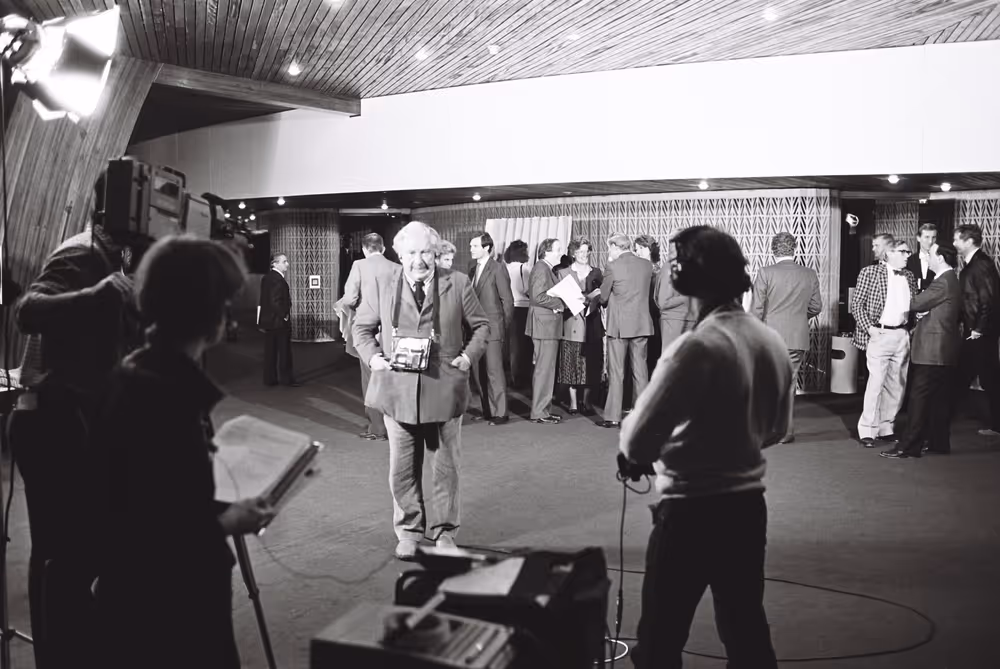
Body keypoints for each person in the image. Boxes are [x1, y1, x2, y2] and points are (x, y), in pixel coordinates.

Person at [95, 236, 275, 669]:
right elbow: (158, 531)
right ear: (211, 313)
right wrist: (234, 519)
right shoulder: (165, 393)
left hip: (132, 600)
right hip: (172, 607)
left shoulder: (135, 370)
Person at [619, 225, 789, 669]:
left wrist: (645, 453)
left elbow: (639, 440)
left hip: (691, 511)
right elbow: (775, 428)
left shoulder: (693, 348)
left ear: (686, 278)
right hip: (749, 508)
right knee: (747, 629)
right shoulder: (771, 341)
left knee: (660, 634)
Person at [10, 169, 147, 669]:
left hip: (85, 418)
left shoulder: (118, 253)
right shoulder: (83, 250)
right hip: (53, 423)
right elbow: (29, 308)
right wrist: (93, 297)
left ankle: (78, 644)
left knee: (88, 547)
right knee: (59, 556)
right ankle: (57, 654)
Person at [352, 221, 489, 560]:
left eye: (425, 252)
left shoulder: (457, 283)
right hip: (397, 390)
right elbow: (362, 328)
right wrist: (373, 359)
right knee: (402, 468)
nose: (418, 260)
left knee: (445, 468)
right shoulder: (384, 284)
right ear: (400, 254)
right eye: (411, 252)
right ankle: (409, 531)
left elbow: (482, 326)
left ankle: (444, 532)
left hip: (444, 387)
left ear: (435, 252)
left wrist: (468, 358)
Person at [881, 244, 961, 458]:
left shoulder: (942, 281)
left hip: (933, 351)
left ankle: (909, 446)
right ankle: (938, 443)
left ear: (941, 258)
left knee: (919, 399)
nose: (926, 257)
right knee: (939, 400)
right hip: (944, 350)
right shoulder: (951, 279)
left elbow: (916, 302)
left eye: (930, 254)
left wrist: (901, 286)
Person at [750, 232, 823, 442]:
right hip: (796, 337)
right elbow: (816, 307)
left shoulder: (765, 272)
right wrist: (799, 317)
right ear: (794, 249)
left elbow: (756, 308)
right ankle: (785, 431)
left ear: (773, 250)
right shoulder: (809, 274)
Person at [851, 239, 918, 445]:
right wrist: (870, 329)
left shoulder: (909, 276)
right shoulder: (869, 273)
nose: (908, 255)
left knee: (897, 384)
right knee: (876, 383)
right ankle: (868, 429)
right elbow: (857, 304)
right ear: (889, 253)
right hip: (879, 334)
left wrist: (912, 329)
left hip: (902, 335)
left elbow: (914, 304)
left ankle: (886, 426)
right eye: (903, 251)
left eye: (908, 252)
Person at [335, 233, 398, 441]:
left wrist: (340, 306)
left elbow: (351, 297)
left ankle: (377, 428)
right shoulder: (396, 268)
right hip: (391, 329)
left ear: (364, 249)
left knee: (370, 378)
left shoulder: (359, 265)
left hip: (367, 329)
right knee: (392, 376)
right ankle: (394, 426)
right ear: (383, 247)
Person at [599, 234, 653, 429]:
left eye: (609, 248)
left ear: (615, 247)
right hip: (641, 324)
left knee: (617, 372)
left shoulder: (612, 266)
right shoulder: (647, 266)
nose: (608, 252)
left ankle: (613, 416)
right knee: (640, 371)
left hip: (619, 327)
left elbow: (603, 297)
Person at [952, 223, 1000, 437]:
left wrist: (978, 329)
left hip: (979, 333)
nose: (954, 243)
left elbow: (988, 299)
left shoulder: (980, 265)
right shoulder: (975, 264)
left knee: (986, 377)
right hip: (976, 331)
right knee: (974, 376)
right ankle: (945, 416)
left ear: (969, 241)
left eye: (957, 239)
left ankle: (943, 418)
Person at [468, 232, 514, 425]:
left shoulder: (497, 269)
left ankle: (501, 413)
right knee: (479, 372)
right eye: (471, 246)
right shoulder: (472, 269)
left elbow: (508, 301)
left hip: (493, 329)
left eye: (475, 246)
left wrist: (503, 328)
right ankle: (488, 410)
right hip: (476, 330)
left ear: (486, 248)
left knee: (494, 372)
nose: (471, 249)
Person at [555, 238, 604, 415]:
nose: (584, 255)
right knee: (571, 366)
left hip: (592, 326)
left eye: (586, 251)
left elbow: (604, 300)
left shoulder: (597, 272)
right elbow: (559, 300)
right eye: (580, 252)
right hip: (571, 324)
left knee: (590, 365)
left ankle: (587, 402)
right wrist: (587, 297)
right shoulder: (563, 273)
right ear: (573, 253)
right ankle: (574, 403)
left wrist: (597, 298)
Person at [527, 238, 567, 424]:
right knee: (544, 370)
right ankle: (539, 412)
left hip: (546, 326)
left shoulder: (544, 268)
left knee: (546, 369)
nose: (561, 252)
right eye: (557, 249)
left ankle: (543, 410)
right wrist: (560, 303)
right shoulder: (542, 268)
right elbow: (537, 296)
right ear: (546, 251)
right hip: (545, 326)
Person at [258, 252, 298, 386]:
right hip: (279, 322)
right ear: (274, 264)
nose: (287, 264)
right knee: (284, 351)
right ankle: (287, 379)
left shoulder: (267, 278)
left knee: (270, 351)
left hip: (269, 321)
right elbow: (275, 301)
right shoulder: (277, 279)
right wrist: (284, 315)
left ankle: (269, 379)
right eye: (284, 261)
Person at [505, 240, 532, 389]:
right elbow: (527, 289)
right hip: (523, 308)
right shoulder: (524, 269)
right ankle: (521, 378)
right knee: (523, 346)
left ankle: (512, 376)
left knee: (512, 345)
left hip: (509, 308)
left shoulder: (506, 268)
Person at [907, 224, 938, 292]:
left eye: (933, 237)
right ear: (918, 238)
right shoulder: (909, 261)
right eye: (927, 237)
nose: (930, 241)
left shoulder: (940, 261)